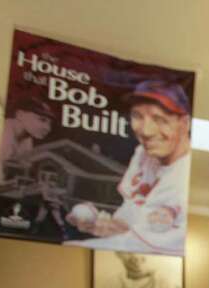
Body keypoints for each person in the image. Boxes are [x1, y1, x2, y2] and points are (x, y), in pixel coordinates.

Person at [67, 80, 191, 254]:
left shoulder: (190, 179)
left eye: (159, 119)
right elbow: (131, 216)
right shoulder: (144, 154)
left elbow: (149, 247)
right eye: (137, 116)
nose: (146, 131)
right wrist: (101, 224)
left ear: (184, 124)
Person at [0, 97, 55, 174]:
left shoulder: (27, 138)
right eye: (42, 119)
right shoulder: (4, 129)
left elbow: (24, 168)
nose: (48, 128)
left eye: (50, 124)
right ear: (20, 114)